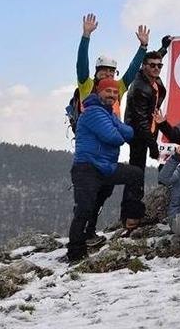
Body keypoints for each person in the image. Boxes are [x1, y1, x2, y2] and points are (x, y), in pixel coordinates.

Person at [66, 78, 144, 263]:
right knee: (83, 210)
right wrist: (117, 129)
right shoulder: (93, 112)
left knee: (135, 175)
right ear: (98, 93)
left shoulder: (108, 114)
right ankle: (75, 252)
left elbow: (129, 132)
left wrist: (117, 127)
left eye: (115, 92)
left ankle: (131, 217)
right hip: (87, 169)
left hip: (106, 169)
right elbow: (115, 137)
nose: (111, 95)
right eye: (107, 91)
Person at [124, 51, 167, 171]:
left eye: (160, 65)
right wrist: (153, 145)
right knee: (137, 171)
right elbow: (141, 121)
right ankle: (135, 190)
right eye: (153, 66)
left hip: (151, 128)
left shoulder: (151, 77)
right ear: (143, 66)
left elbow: (152, 59)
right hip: (138, 134)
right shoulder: (140, 88)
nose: (156, 68)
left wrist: (164, 48)